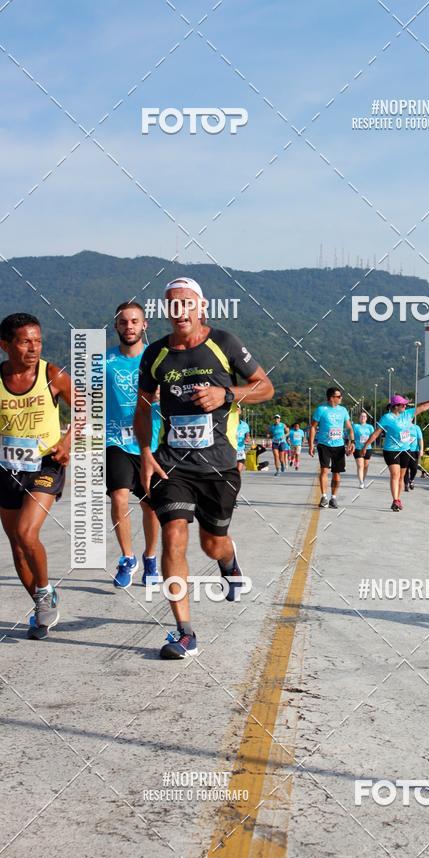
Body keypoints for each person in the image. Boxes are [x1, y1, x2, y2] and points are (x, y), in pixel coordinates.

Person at [135, 276, 274, 660]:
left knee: (211, 544)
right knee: (173, 537)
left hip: (219, 466)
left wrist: (226, 393)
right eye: (172, 304)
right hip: (172, 466)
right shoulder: (156, 354)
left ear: (201, 307)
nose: (179, 311)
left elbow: (266, 387)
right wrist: (145, 450)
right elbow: (143, 407)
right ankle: (185, 632)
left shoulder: (224, 343)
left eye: (186, 303)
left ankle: (229, 562)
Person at [0, 312, 72, 639]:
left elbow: (88, 408)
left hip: (46, 464)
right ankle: (42, 605)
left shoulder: (52, 375)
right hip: (7, 468)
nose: (34, 348)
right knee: (17, 546)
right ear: (5, 345)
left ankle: (44, 592)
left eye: (38, 340)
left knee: (28, 534)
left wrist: (68, 440)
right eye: (25, 341)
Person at [106, 301, 162, 589]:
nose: (129, 326)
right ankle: (127, 558)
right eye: (123, 321)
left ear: (144, 325)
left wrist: (162, 398)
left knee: (150, 507)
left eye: (134, 321)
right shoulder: (104, 362)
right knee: (118, 497)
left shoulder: (156, 361)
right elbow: (87, 401)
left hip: (150, 443)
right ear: (116, 325)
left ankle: (150, 558)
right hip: (115, 440)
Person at [361, 394, 429, 511]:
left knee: (401, 477)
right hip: (391, 451)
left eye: (405, 404)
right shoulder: (387, 418)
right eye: (403, 405)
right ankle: (395, 500)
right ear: (395, 406)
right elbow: (376, 433)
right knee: (395, 474)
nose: (405, 406)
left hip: (405, 450)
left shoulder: (408, 414)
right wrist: (365, 446)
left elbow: (424, 407)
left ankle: (398, 499)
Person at [309, 387, 354, 509]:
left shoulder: (343, 410)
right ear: (331, 398)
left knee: (336, 473)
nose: (341, 398)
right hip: (324, 445)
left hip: (339, 446)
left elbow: (349, 427)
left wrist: (352, 441)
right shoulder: (321, 409)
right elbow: (313, 427)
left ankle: (333, 498)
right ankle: (323, 497)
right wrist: (311, 444)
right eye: (339, 396)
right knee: (324, 470)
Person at [352, 410, 375, 488]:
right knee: (360, 465)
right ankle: (361, 482)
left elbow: (373, 437)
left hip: (368, 448)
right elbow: (351, 435)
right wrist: (351, 444)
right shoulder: (355, 426)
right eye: (361, 416)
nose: (363, 418)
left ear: (366, 418)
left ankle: (363, 479)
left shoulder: (370, 427)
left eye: (364, 416)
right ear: (359, 418)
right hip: (358, 448)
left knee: (365, 466)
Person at [404, 421, 423, 491]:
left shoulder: (416, 428)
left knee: (414, 468)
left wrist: (421, 449)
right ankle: (406, 484)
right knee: (405, 468)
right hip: (404, 450)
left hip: (414, 451)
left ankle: (411, 480)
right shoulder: (403, 427)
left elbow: (420, 439)